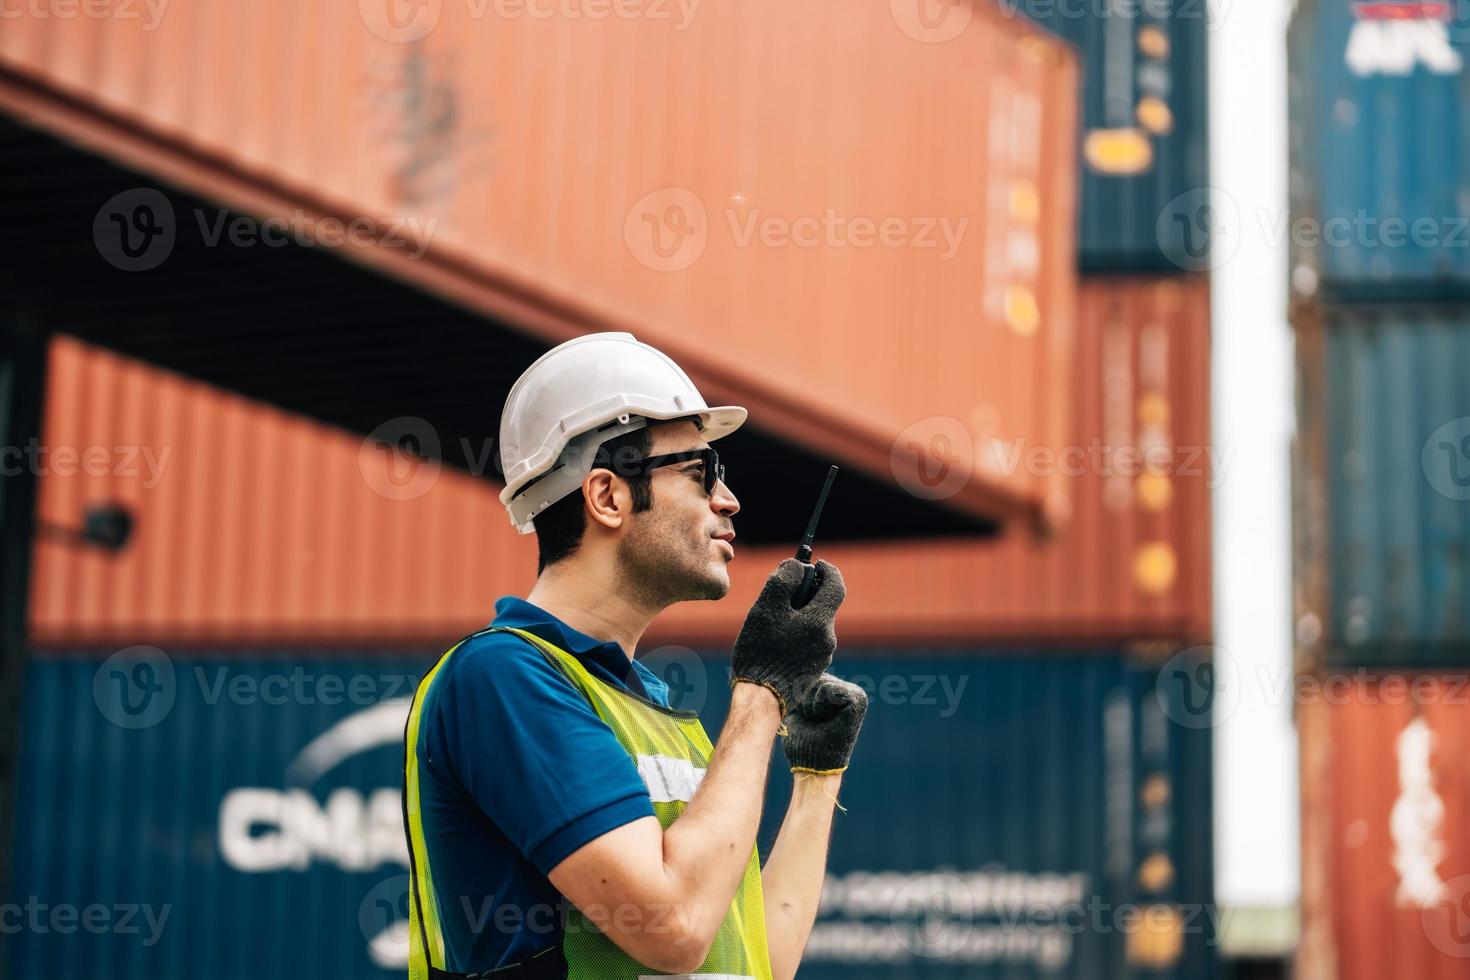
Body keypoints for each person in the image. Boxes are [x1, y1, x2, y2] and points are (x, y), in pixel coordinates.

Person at [401, 332, 868, 980]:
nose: (729, 501)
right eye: (701, 474)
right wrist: (762, 692)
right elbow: (671, 930)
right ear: (608, 496)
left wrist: (818, 778)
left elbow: (754, 962)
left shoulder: (653, 711)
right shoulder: (506, 678)